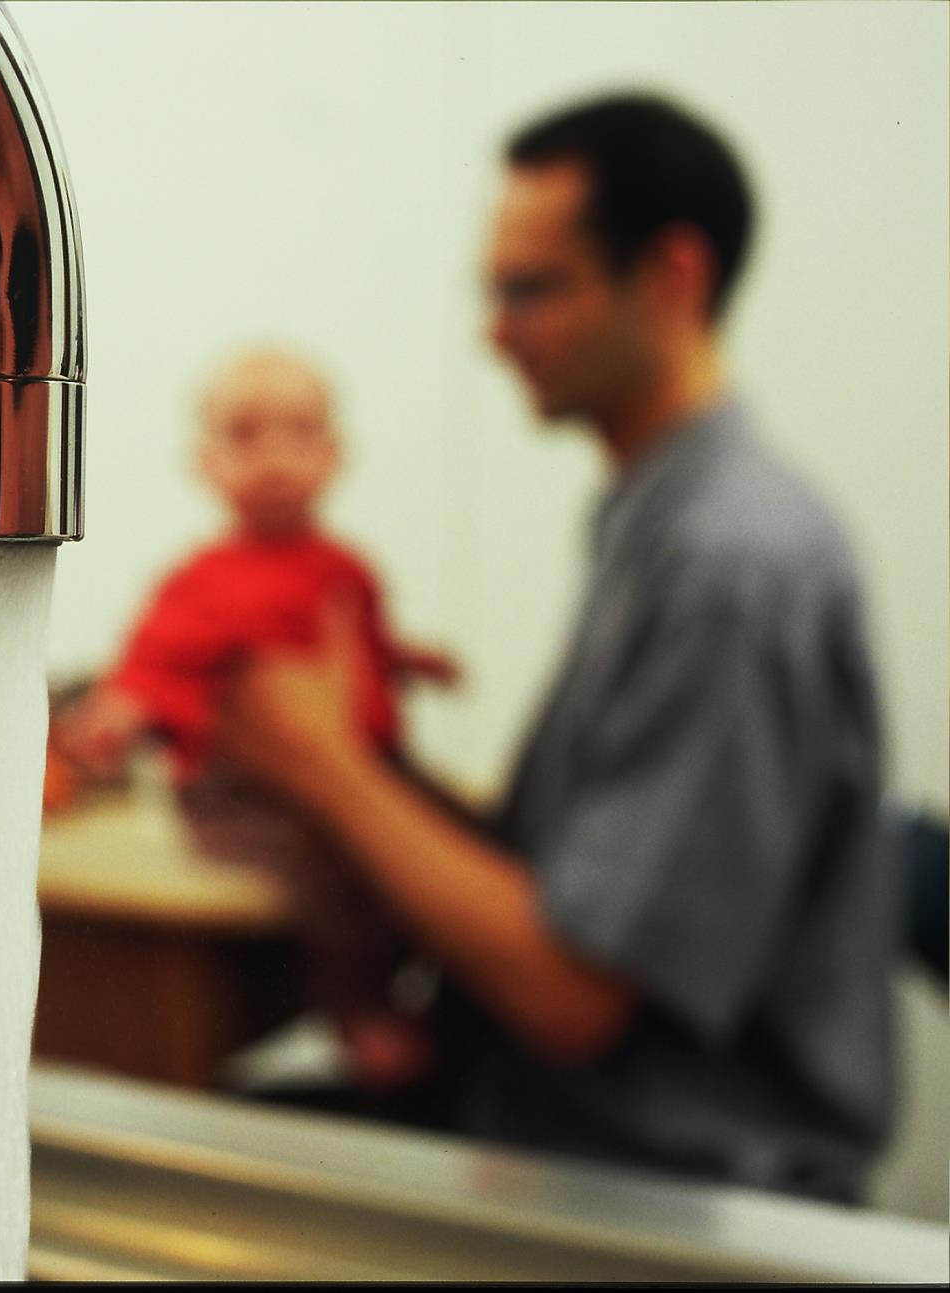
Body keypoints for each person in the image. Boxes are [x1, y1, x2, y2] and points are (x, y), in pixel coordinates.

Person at [219, 94, 893, 1202]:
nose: (493, 331)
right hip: (556, 1130)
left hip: (657, 1189)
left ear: (670, 279)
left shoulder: (732, 565)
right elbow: (569, 884)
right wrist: (368, 753)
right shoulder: (658, 517)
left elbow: (571, 995)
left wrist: (324, 768)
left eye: (530, 289)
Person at [56, 348, 459, 1088]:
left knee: (454, 824)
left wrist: (407, 660)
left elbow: (357, 644)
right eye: (244, 435)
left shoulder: (346, 567)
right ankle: (355, 1010)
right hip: (242, 791)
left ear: (334, 454)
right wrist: (119, 713)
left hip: (361, 761)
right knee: (336, 853)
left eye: (299, 433)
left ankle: (446, 995)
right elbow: (151, 667)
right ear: (203, 462)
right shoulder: (201, 581)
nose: (275, 456)